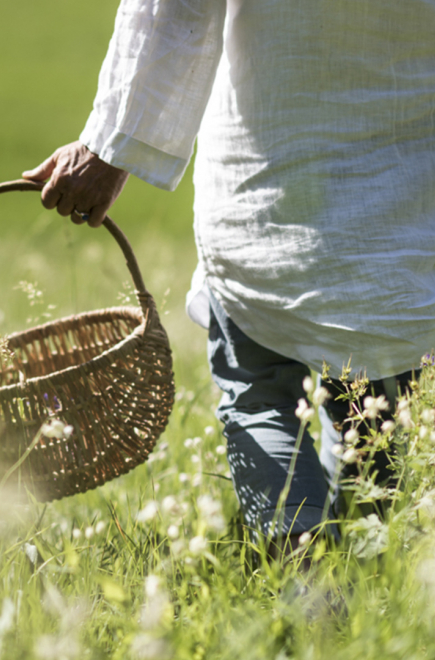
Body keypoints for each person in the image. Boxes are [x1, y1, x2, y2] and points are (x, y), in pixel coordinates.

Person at [22, 0, 435, 550]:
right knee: (379, 406)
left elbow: (175, 11)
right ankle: (381, 581)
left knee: (259, 396)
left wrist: (110, 146)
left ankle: (310, 587)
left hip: (268, 192)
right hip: (407, 207)